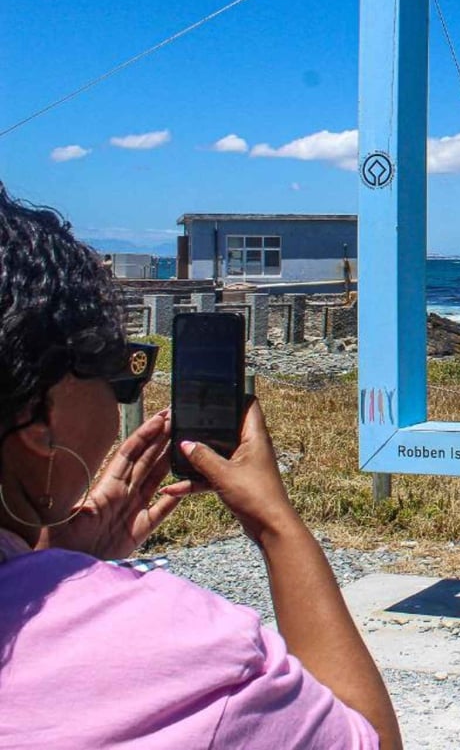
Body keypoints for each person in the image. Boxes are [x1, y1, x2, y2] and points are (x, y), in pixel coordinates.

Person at [0, 183, 402, 749]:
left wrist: (51, 562)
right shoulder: (177, 646)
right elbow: (367, 741)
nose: (126, 392)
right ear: (39, 417)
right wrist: (274, 525)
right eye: (121, 367)